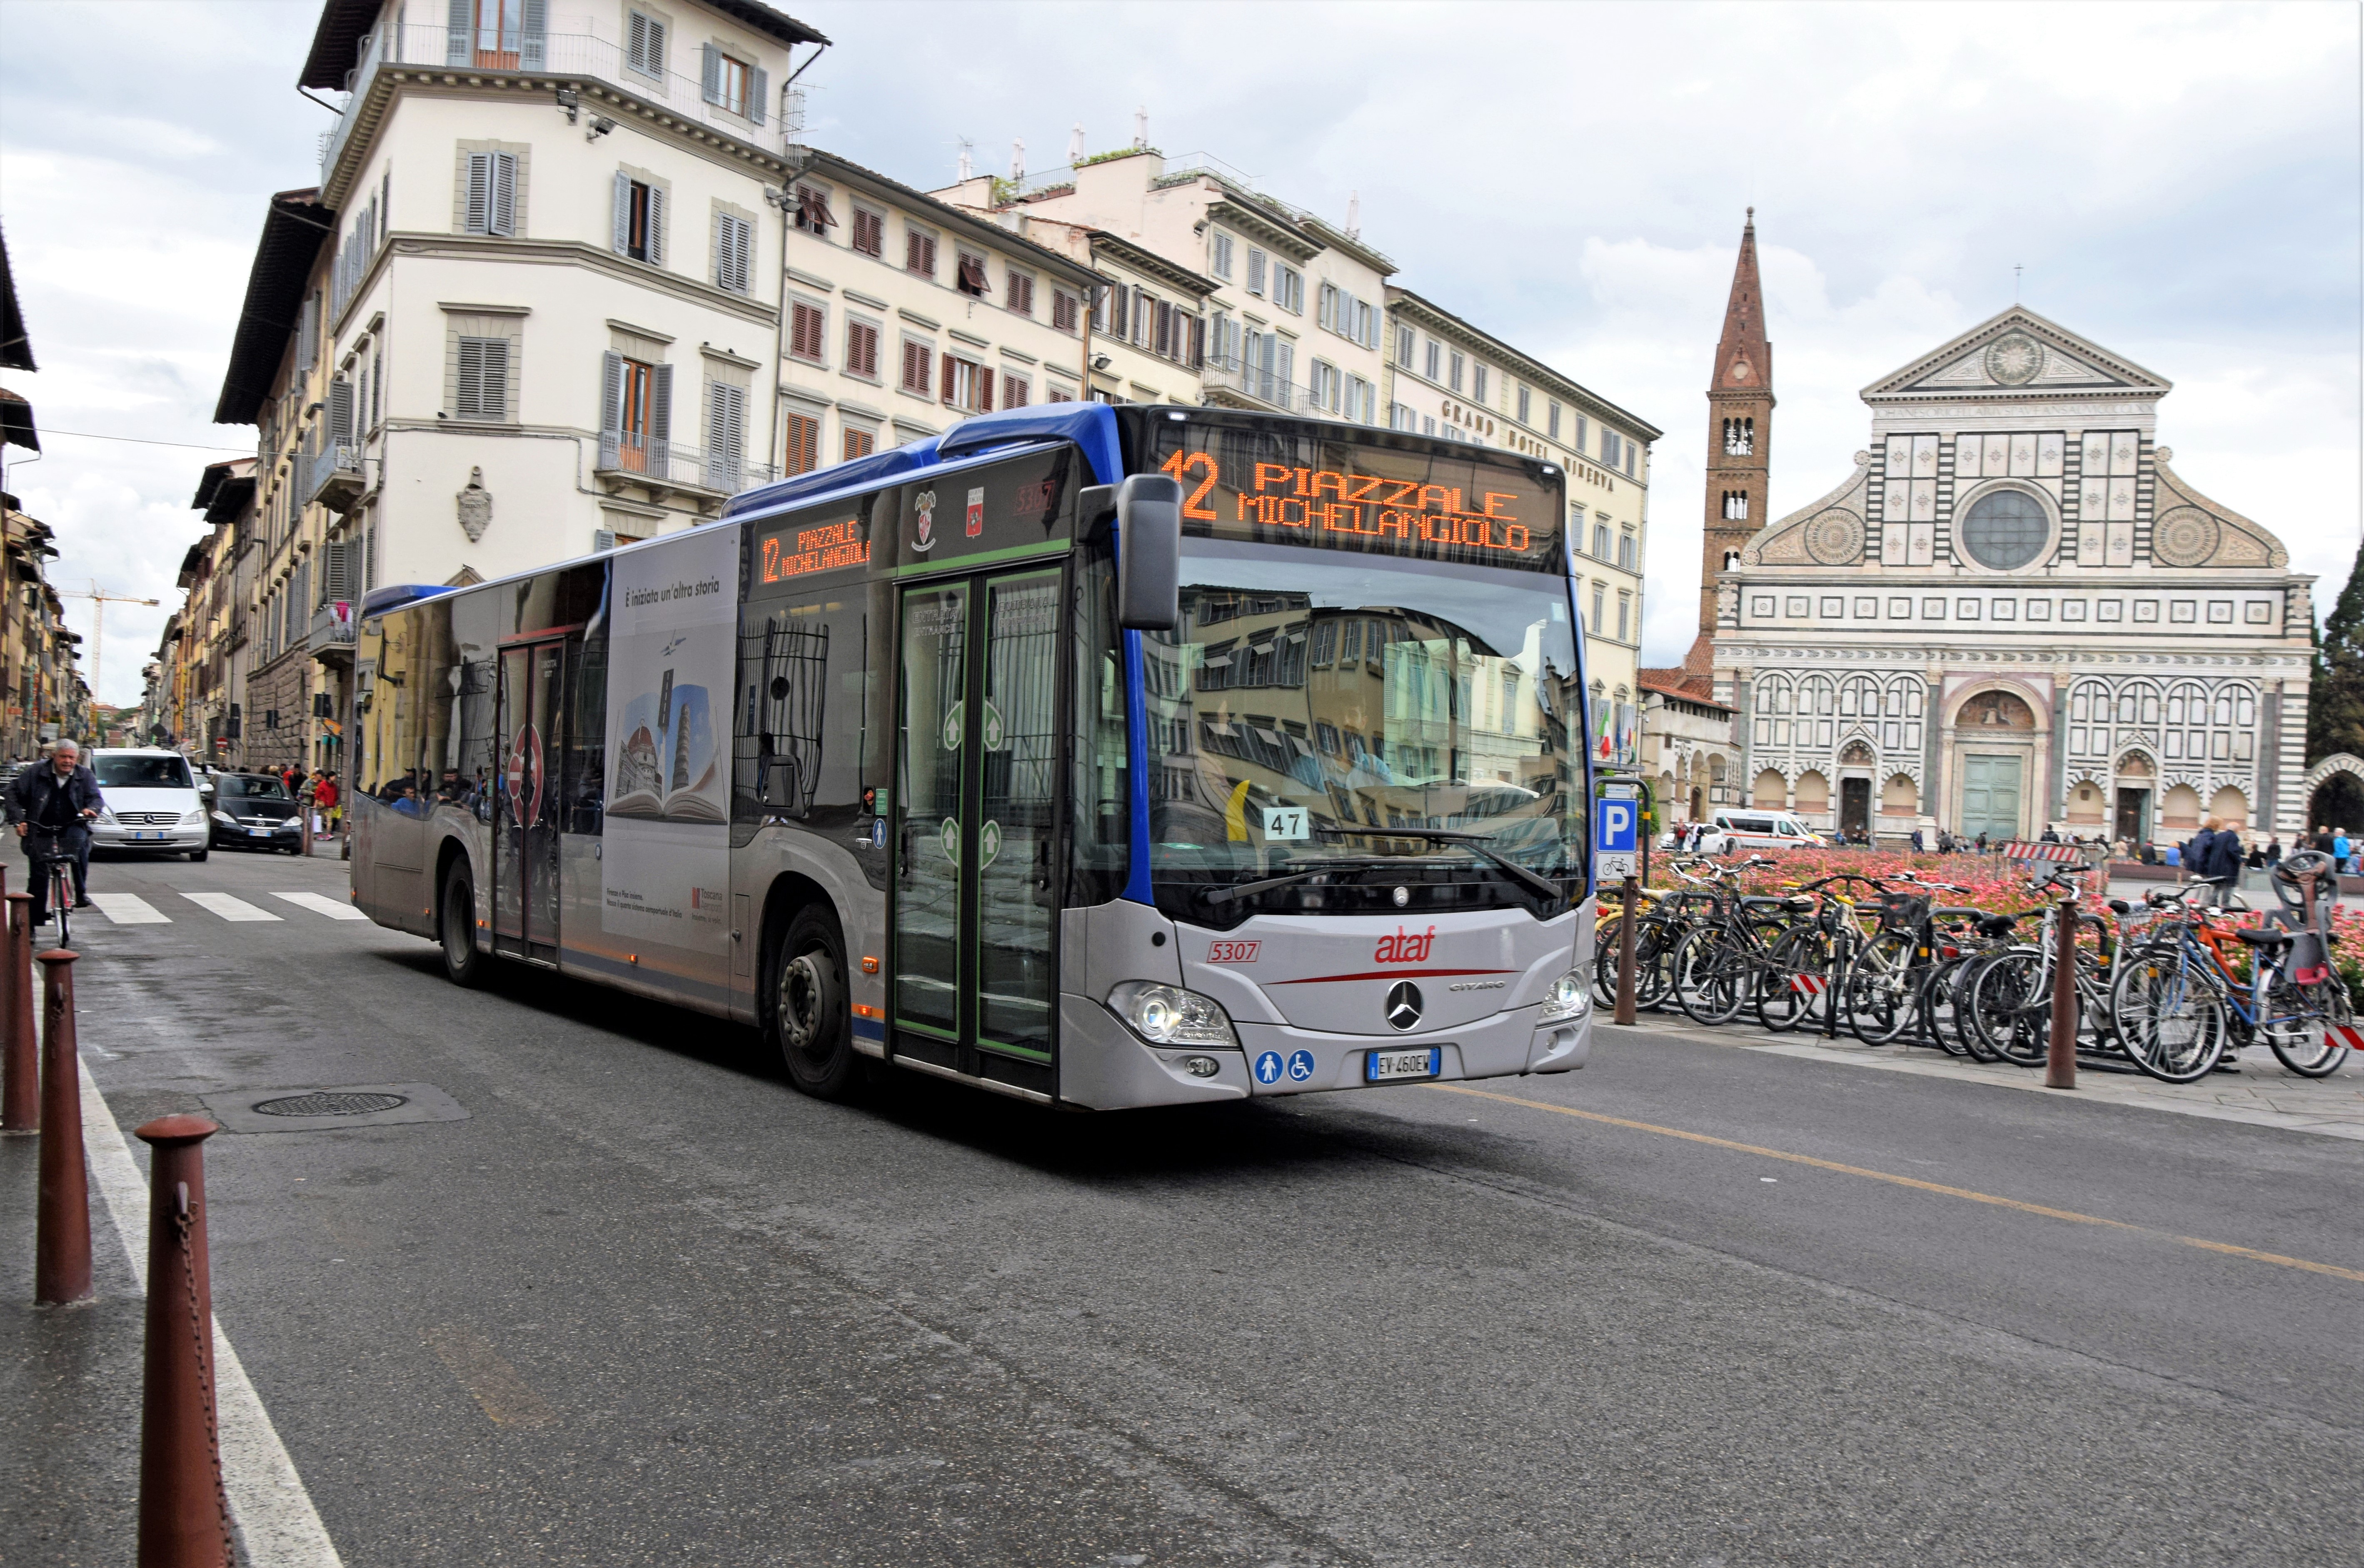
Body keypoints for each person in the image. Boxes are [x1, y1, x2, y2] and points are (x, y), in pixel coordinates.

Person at [6, 739, 102, 925]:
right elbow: (12, 793)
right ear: (54, 756)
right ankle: (33, 925)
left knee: (80, 844)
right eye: (63, 757)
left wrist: (91, 809)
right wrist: (19, 820)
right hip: (40, 825)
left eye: (72, 758)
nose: (67, 761)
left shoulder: (85, 775)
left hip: (72, 823)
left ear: (77, 759)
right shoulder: (36, 772)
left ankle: (81, 892)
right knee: (39, 877)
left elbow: (96, 799)